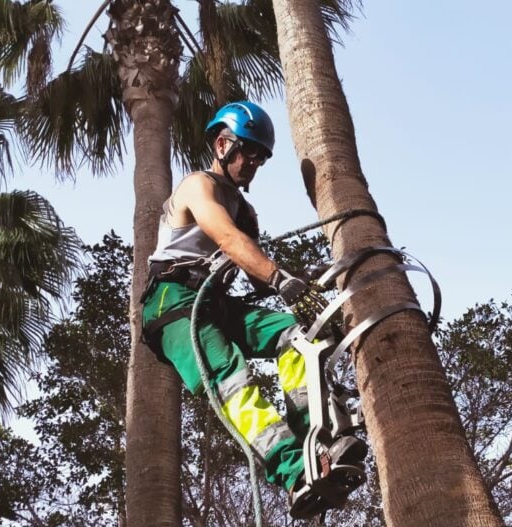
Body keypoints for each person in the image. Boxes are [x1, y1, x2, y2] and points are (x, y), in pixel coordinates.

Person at [140, 101, 365, 518]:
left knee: (303, 333)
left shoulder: (246, 211)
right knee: (232, 380)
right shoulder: (197, 186)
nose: (254, 163)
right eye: (248, 152)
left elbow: (261, 274)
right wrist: (282, 280)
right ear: (223, 144)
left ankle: (316, 441)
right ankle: (294, 470)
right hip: (173, 303)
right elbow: (227, 239)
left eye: (261, 157)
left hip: (218, 303)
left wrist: (309, 283)